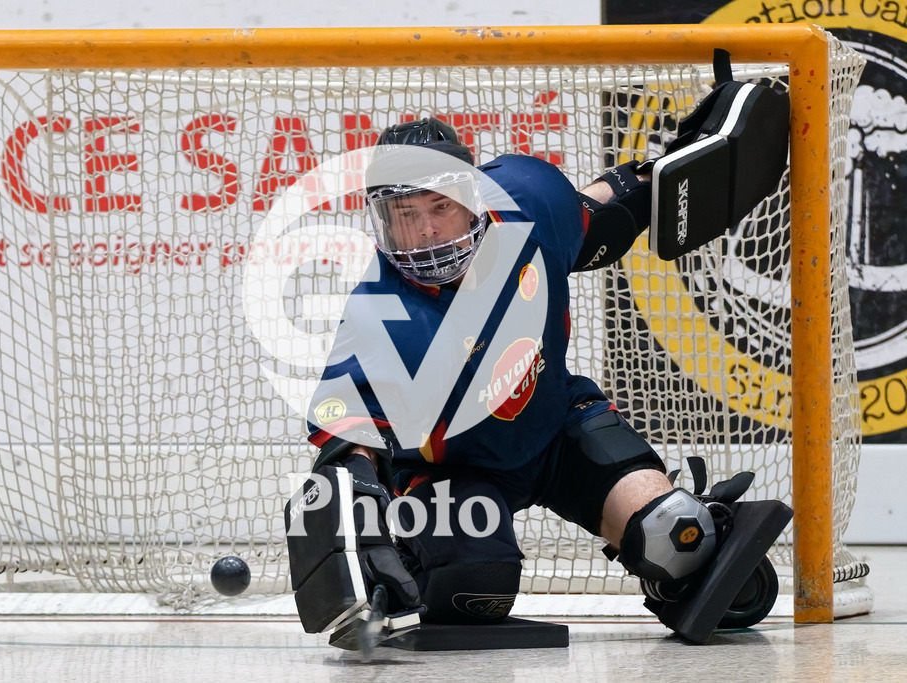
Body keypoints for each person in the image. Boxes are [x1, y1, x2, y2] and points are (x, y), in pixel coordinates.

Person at [285, 68, 792, 647]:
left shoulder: (528, 199)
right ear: (383, 220)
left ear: (472, 199)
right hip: (452, 471)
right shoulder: (377, 313)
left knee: (675, 535)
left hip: (557, 427)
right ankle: (414, 551)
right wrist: (359, 540)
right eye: (405, 214)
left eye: (439, 206)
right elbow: (347, 452)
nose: (425, 231)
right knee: (475, 590)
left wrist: (677, 166)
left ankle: (667, 565)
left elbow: (601, 213)